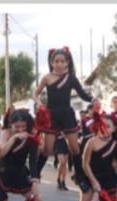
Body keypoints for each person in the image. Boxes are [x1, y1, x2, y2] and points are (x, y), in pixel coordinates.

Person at [0, 108, 58, 201]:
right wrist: (14, 138)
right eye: (16, 127)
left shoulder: (32, 137)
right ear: (10, 124)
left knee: (37, 198)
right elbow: (1, 153)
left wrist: (34, 180)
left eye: (23, 126)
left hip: (20, 173)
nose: (20, 129)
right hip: (1, 172)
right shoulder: (5, 133)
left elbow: (33, 161)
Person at [33, 47, 92, 187]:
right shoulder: (47, 78)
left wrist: (93, 100)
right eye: (56, 61)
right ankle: (35, 175)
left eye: (62, 61)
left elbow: (83, 94)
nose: (59, 64)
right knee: (47, 150)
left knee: (75, 148)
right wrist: (39, 103)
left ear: (67, 63)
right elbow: (35, 94)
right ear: (52, 63)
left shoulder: (71, 78)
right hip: (51, 115)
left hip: (67, 114)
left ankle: (80, 177)